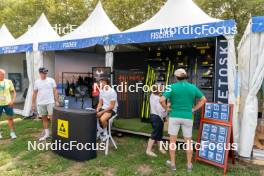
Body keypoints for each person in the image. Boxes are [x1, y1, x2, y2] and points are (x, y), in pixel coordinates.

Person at [160, 68, 207, 172]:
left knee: (172, 141)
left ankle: (173, 165)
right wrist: (194, 108)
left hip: (174, 116)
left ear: (176, 77)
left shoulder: (171, 87)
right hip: (188, 117)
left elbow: (161, 100)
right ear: (185, 76)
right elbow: (204, 99)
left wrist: (166, 108)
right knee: (188, 142)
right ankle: (189, 165)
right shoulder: (192, 87)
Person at [32, 67, 59, 141]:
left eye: (46, 73)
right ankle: (47, 134)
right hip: (41, 103)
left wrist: (56, 100)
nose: (45, 74)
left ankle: (55, 134)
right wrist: (33, 104)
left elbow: (55, 91)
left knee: (52, 118)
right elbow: (34, 93)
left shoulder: (51, 80)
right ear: (40, 73)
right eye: (43, 73)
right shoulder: (37, 82)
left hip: (50, 102)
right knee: (44, 118)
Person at [146, 84, 167, 157]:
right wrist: (167, 108)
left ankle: (160, 148)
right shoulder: (158, 98)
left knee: (159, 134)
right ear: (157, 90)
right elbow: (161, 111)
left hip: (154, 117)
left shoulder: (152, 95)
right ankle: (148, 150)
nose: (162, 89)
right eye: (160, 88)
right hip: (157, 117)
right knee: (155, 134)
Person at [0, 69, 17, 139]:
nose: (3, 76)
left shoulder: (8, 81)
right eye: (1, 74)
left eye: (4, 74)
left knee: (10, 118)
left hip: (8, 103)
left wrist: (12, 101)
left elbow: (14, 92)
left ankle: (12, 133)